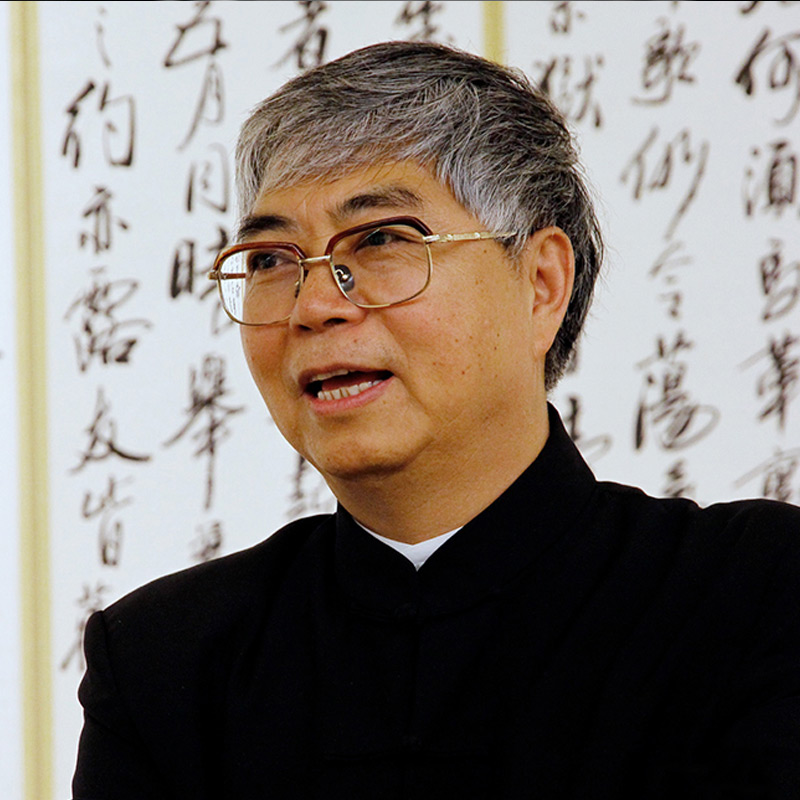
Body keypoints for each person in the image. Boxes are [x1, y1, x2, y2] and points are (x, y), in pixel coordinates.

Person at [72, 41, 800, 800]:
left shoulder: (754, 593)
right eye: (271, 260)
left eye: (381, 240)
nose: (314, 305)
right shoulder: (165, 661)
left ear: (542, 284)